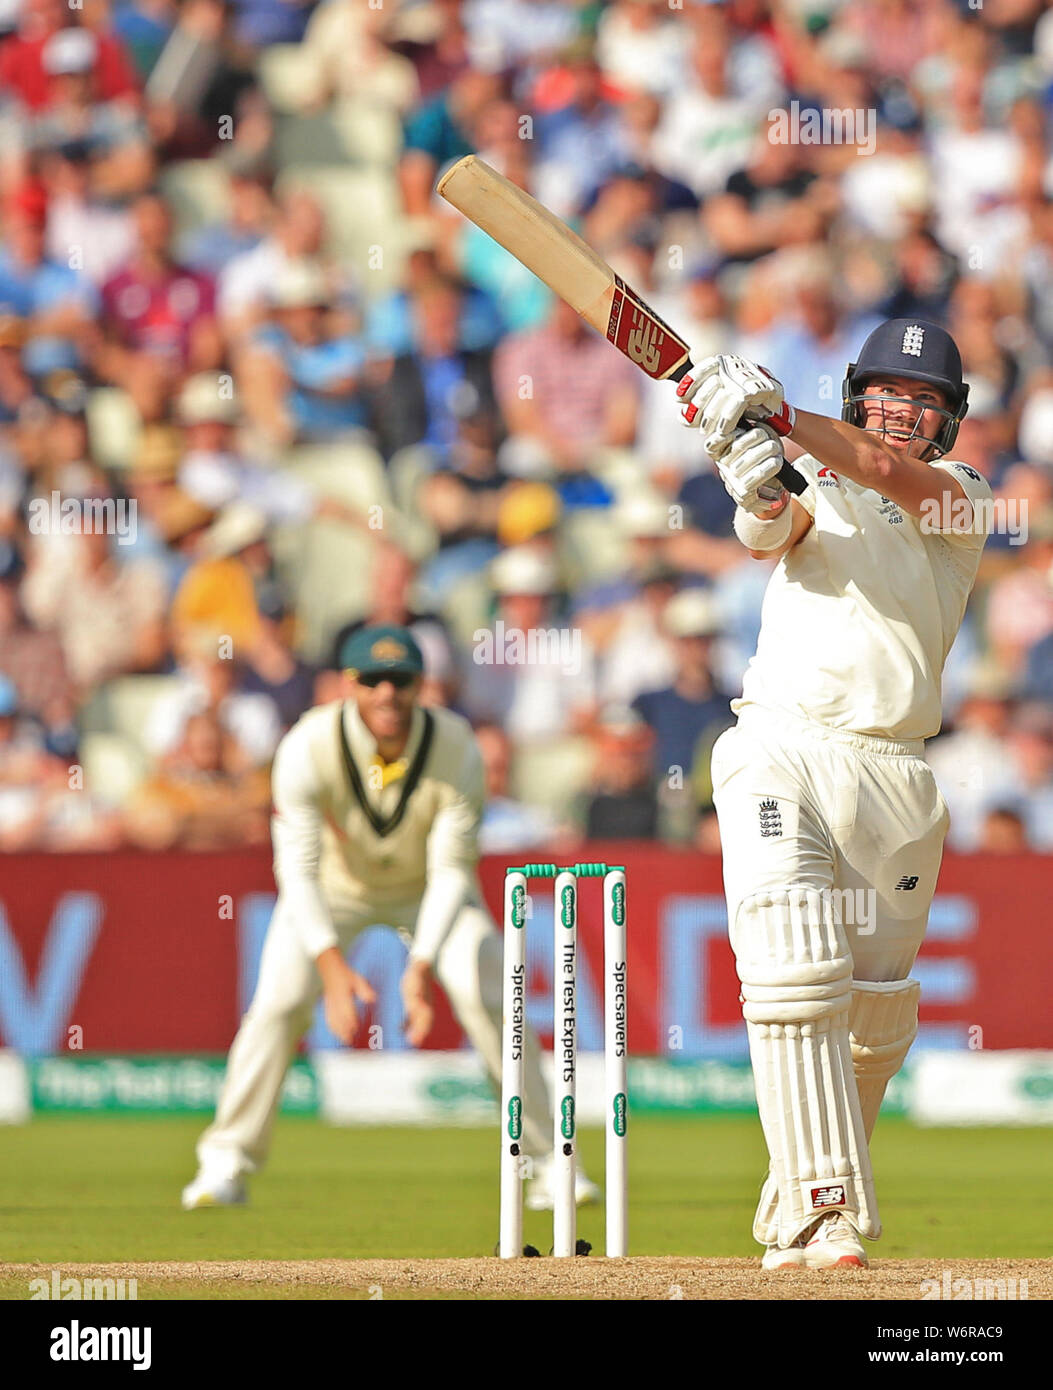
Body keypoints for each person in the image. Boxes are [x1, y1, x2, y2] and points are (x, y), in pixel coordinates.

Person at [677, 319, 989, 1270]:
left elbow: (892, 478)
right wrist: (756, 471)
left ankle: (798, 1203)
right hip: (779, 743)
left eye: (922, 399)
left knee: (872, 1017)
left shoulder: (961, 498)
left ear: (947, 422)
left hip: (894, 776)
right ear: (859, 394)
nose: (902, 410)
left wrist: (777, 413)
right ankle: (823, 1212)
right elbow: (772, 527)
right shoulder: (820, 474)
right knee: (791, 961)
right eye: (888, 393)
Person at [181, 625, 597, 1211]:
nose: (386, 694)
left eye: (400, 680)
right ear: (348, 685)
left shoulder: (456, 746)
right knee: (277, 1001)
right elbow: (295, 870)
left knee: (488, 988)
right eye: (372, 680)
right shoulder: (306, 746)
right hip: (336, 887)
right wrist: (330, 969)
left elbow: (453, 870)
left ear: (419, 685)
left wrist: (419, 968)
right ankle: (225, 1162)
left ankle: (550, 1162)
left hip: (428, 890)